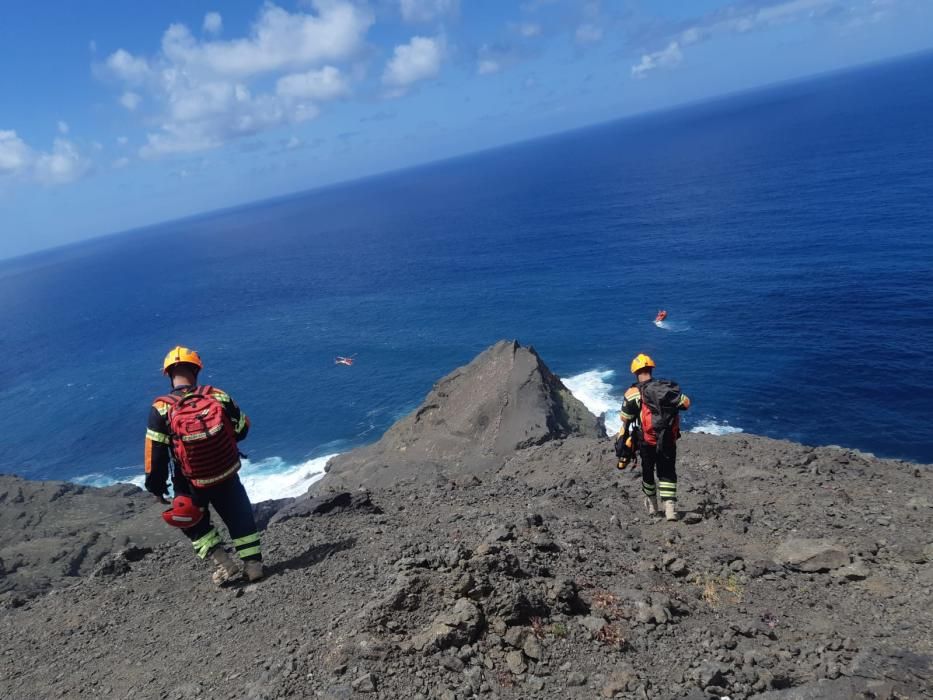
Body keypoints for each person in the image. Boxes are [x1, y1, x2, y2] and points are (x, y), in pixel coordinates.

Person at [144, 345, 264, 583]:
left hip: (190, 480)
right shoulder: (217, 396)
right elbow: (242, 429)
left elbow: (154, 455)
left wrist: (156, 487)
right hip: (226, 470)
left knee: (189, 518)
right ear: (197, 370)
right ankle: (253, 566)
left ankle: (224, 564)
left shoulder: (161, 409)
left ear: (168, 374)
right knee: (239, 515)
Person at [618, 353, 691, 521]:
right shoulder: (665, 389)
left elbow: (624, 418)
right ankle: (670, 510)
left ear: (635, 372)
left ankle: (652, 507)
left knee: (648, 471)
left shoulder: (633, 392)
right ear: (651, 369)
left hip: (646, 439)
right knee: (667, 472)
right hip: (667, 438)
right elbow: (686, 403)